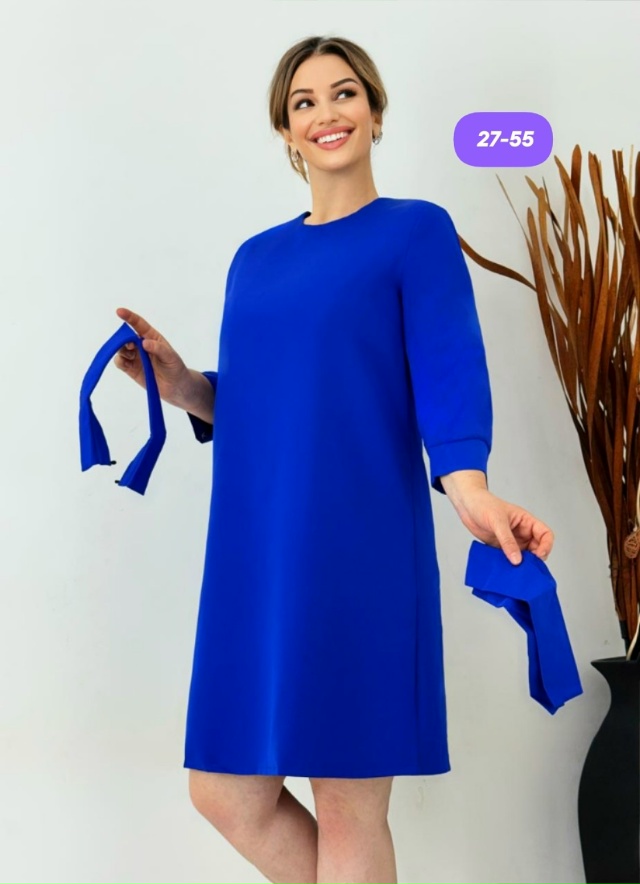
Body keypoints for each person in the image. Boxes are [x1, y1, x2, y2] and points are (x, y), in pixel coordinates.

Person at [113, 34, 554, 884]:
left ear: (376, 112)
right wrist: (181, 385)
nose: (326, 113)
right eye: (304, 101)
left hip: (360, 545)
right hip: (255, 554)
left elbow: (450, 370)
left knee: (348, 799)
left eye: (344, 93)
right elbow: (260, 403)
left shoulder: (416, 231)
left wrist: (470, 487)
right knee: (225, 792)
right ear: (285, 131)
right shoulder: (255, 258)